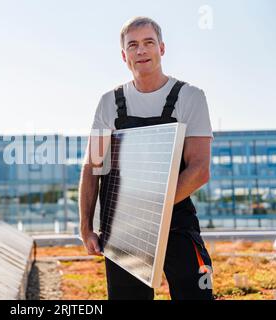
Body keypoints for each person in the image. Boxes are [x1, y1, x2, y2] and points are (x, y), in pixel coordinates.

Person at [78, 16, 214, 300]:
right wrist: (86, 227)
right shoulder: (109, 102)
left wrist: (155, 212)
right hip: (123, 229)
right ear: (124, 54)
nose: (141, 51)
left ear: (161, 48)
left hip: (176, 221)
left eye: (148, 43)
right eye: (133, 45)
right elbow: (92, 167)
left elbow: (200, 169)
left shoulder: (190, 97)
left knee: (196, 294)